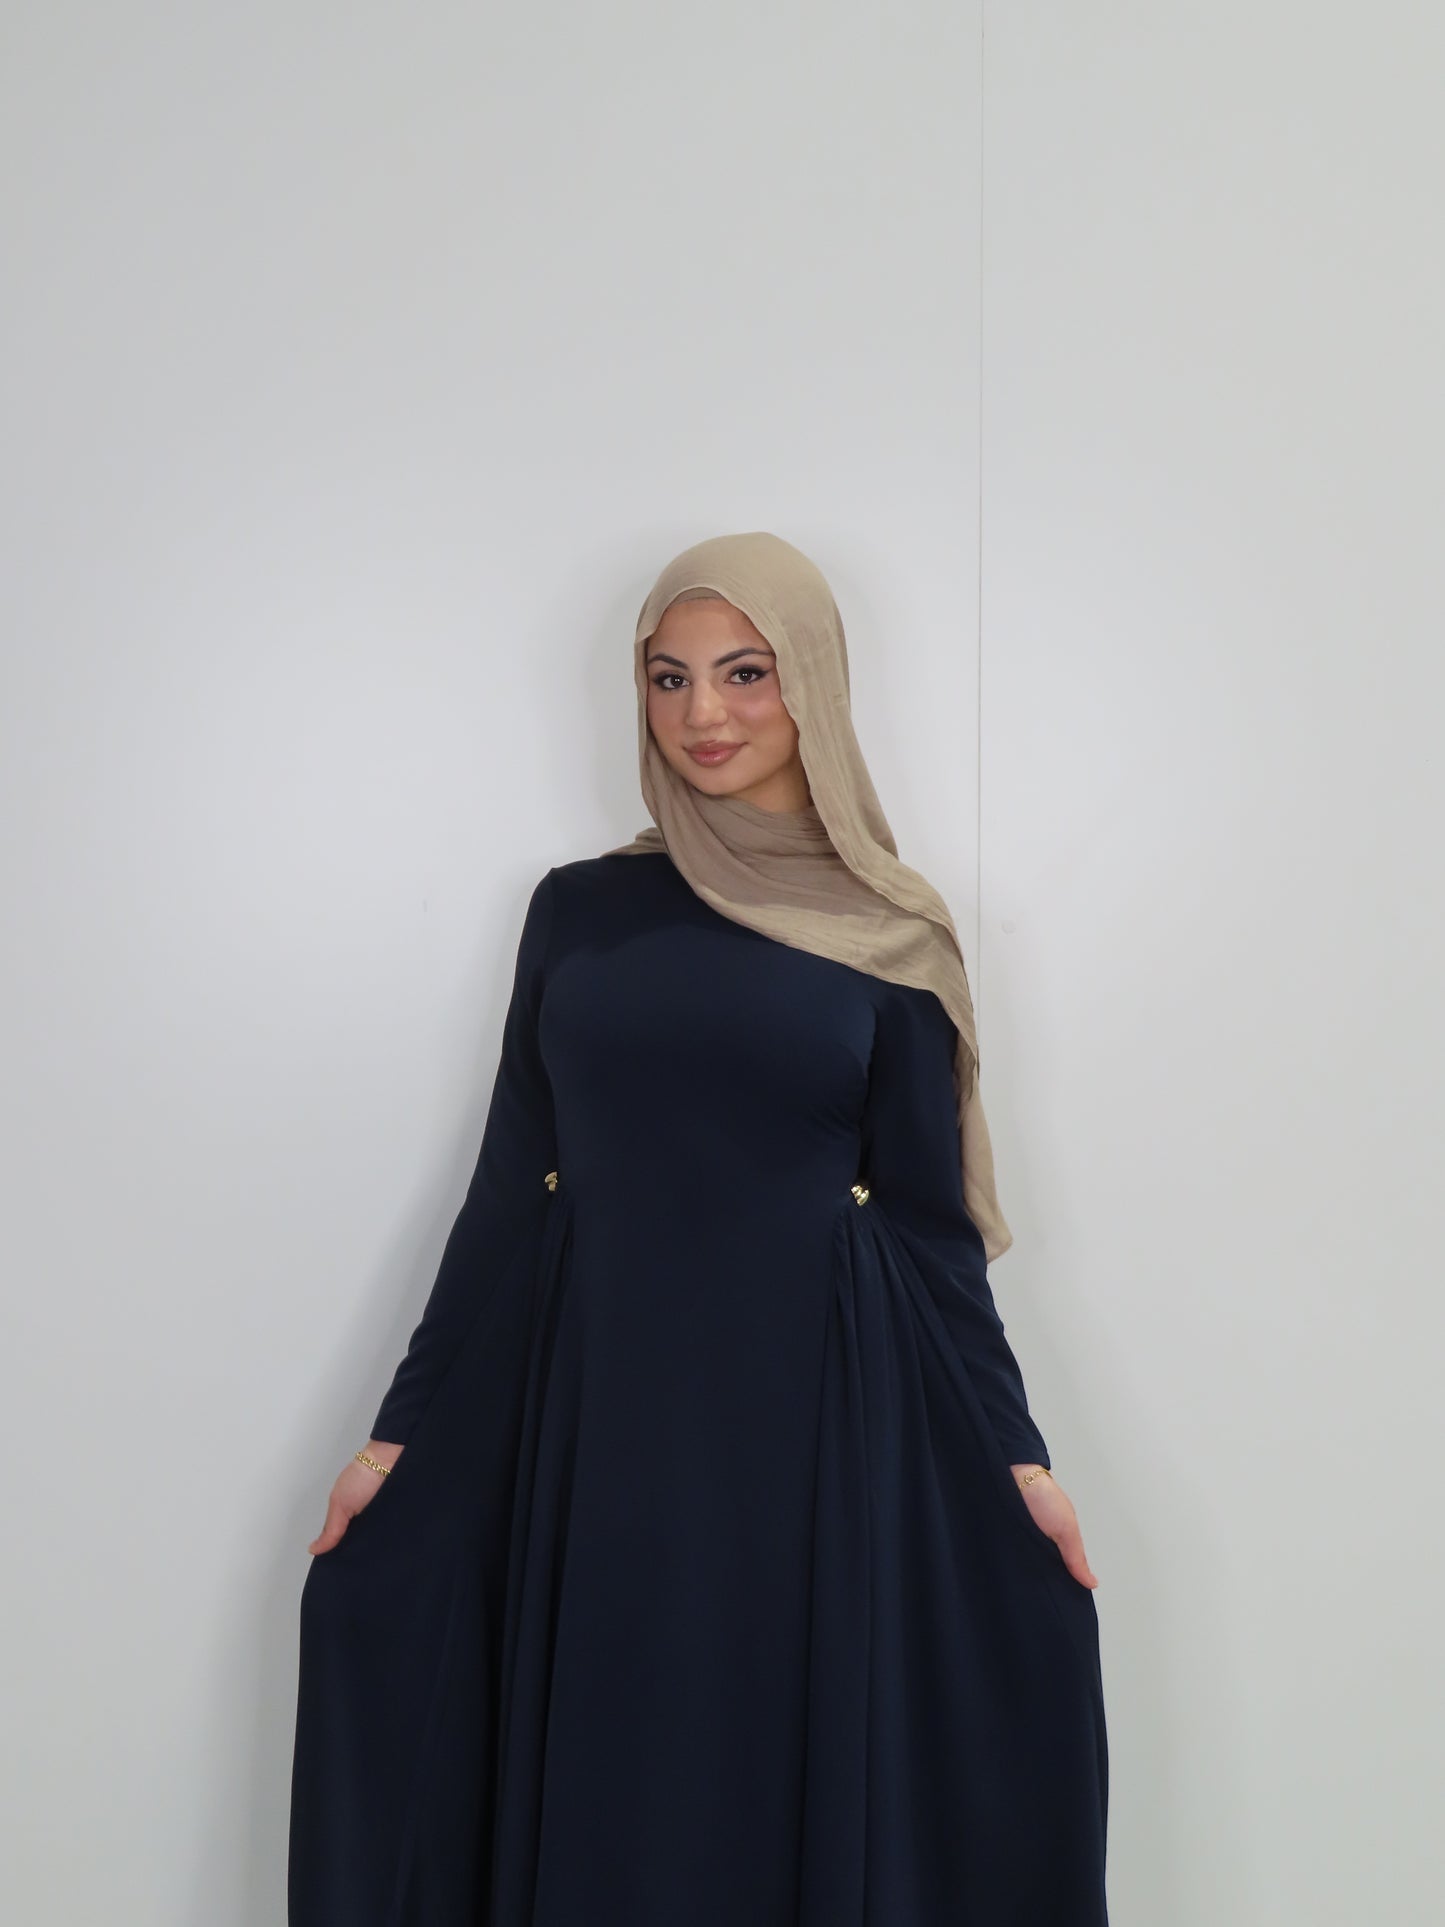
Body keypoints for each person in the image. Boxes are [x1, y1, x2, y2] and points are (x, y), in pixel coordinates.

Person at [287, 530, 1110, 1925]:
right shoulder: (579, 911)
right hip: (595, 1409)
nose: (703, 714)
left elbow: (926, 1234)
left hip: (809, 1424)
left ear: (814, 684)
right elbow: (513, 1186)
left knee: (776, 1758)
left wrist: (1015, 1459)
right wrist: (395, 1439)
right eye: (668, 678)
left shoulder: (889, 929)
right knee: (609, 1759)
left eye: (744, 672)